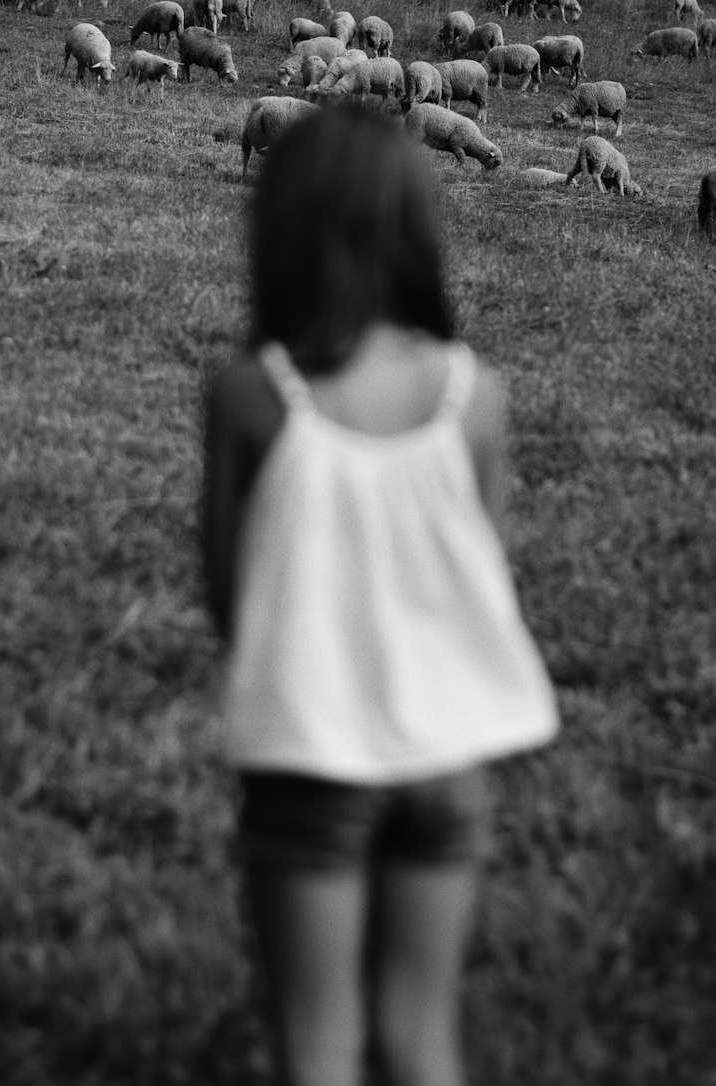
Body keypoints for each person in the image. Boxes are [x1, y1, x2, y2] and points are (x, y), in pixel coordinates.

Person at [202, 107, 559, 1086]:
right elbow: (475, 572)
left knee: (317, 1040)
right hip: (446, 761)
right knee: (420, 1036)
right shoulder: (472, 395)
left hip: (313, 758)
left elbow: (233, 594)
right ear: (418, 232)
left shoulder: (249, 392)